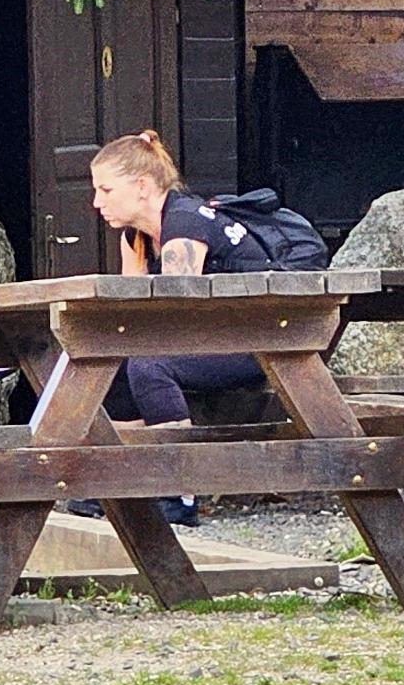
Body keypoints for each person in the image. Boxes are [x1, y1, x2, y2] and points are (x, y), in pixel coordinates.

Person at [85, 130, 269, 447]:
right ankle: (108, 485)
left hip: (261, 343)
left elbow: (175, 318)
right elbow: (131, 317)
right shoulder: (135, 238)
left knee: (149, 366)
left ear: (142, 186)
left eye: (106, 190)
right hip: (209, 342)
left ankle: (179, 487)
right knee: (100, 366)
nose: (97, 202)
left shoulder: (184, 225)